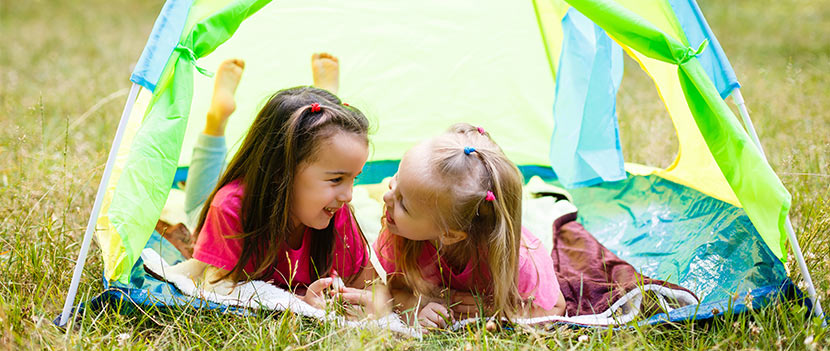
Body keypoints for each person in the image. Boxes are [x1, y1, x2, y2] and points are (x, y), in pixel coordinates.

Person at [169, 54, 387, 314]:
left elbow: (376, 288)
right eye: (337, 179)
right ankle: (215, 122)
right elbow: (219, 292)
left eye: (354, 178)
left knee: (327, 141)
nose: (349, 195)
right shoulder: (231, 207)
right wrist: (299, 304)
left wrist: (371, 304)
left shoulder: (336, 215)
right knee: (196, 203)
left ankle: (327, 104)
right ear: (282, 173)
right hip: (228, 208)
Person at [374, 123, 566, 329]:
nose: (386, 196)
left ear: (450, 235)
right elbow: (398, 289)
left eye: (404, 203)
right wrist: (417, 308)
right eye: (395, 179)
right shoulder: (401, 232)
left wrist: (495, 309)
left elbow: (556, 307)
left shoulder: (518, 261)